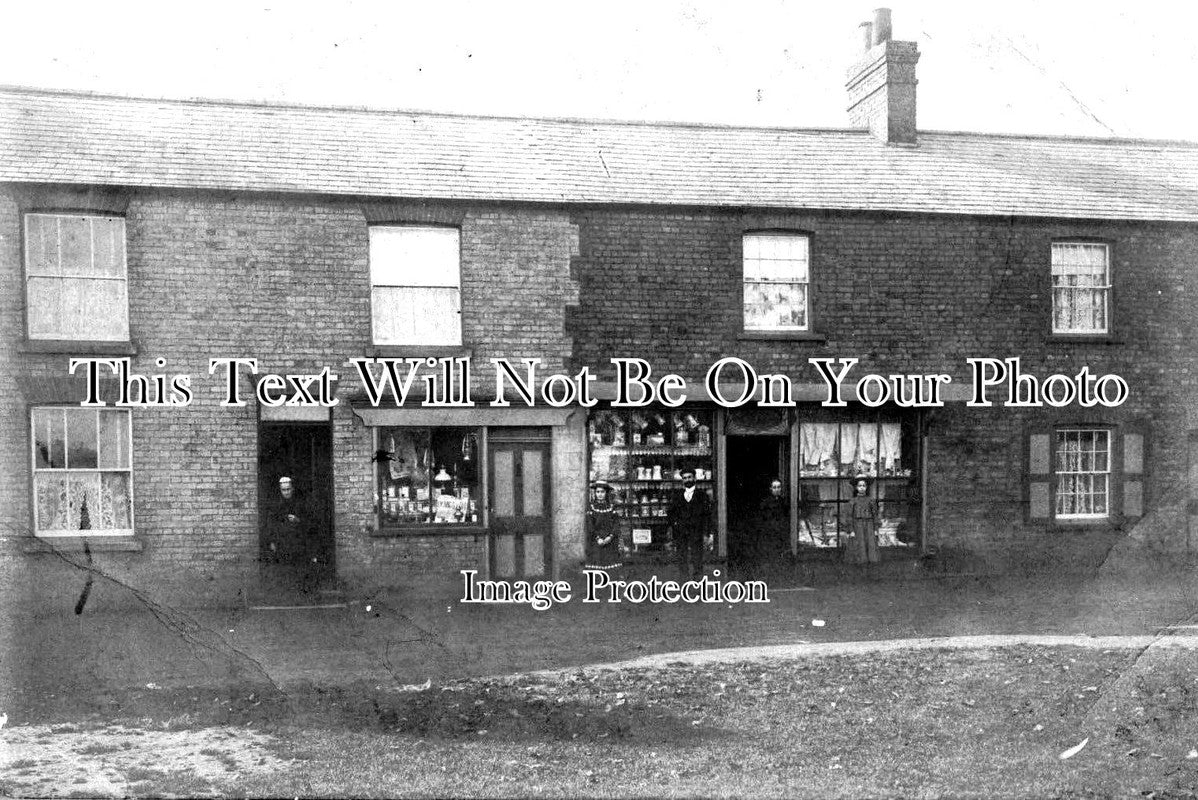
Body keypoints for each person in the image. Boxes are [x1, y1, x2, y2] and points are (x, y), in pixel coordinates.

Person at [667, 468, 713, 580]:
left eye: (689, 477)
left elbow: (707, 515)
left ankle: (697, 582)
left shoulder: (702, 495)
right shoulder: (677, 496)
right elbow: (671, 513)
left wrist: (707, 533)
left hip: (696, 531)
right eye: (684, 478)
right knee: (682, 556)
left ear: (695, 478)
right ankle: (684, 580)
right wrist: (675, 525)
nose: (687, 480)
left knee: (697, 557)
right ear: (682, 480)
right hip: (681, 531)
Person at [585, 481, 622, 570]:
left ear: (606, 493)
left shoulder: (612, 507)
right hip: (596, 541)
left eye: (602, 492)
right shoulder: (591, 507)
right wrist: (598, 538)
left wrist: (610, 537)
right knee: (596, 568)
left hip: (610, 541)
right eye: (598, 492)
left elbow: (616, 524)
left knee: (611, 568)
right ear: (595, 493)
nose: (600, 494)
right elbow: (590, 525)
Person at [845, 475, 880, 566]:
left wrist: (876, 529)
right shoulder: (853, 501)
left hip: (869, 524)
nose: (862, 488)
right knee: (859, 543)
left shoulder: (871, 501)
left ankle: (870, 562)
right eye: (860, 486)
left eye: (864, 486)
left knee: (869, 542)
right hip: (858, 525)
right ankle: (860, 562)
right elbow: (849, 516)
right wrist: (851, 530)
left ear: (866, 487)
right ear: (856, 487)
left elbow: (875, 515)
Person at [757, 477, 790, 563]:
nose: (777, 490)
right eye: (774, 487)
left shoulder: (783, 502)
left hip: (780, 535)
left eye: (779, 487)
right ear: (770, 489)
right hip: (769, 535)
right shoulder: (765, 503)